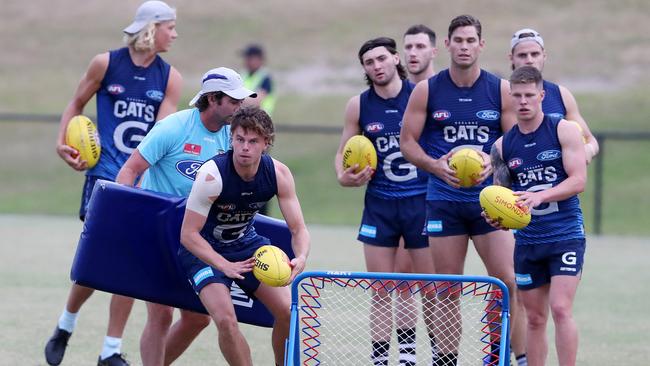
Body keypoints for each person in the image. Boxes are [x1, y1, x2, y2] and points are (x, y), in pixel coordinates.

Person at [46, 1, 181, 365]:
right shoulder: (105, 63)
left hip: (141, 183)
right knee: (98, 262)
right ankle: (65, 324)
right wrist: (63, 143)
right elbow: (75, 104)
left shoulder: (170, 77)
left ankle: (110, 350)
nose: (175, 34)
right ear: (152, 28)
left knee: (129, 266)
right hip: (103, 177)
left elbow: (162, 136)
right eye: (170, 26)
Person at [400, 15, 525, 365]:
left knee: (508, 282)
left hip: (491, 202)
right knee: (446, 289)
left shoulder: (499, 88)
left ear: (481, 45)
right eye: (459, 40)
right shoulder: (428, 89)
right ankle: (446, 360)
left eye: (472, 40)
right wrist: (434, 165)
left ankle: (504, 356)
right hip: (444, 201)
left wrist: (492, 157)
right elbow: (407, 142)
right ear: (448, 45)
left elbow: (514, 139)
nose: (465, 46)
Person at [115, 67, 255, 366]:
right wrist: (125, 218)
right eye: (234, 100)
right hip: (158, 230)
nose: (240, 106)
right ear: (213, 99)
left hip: (200, 236)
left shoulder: (233, 136)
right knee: (161, 313)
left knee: (197, 318)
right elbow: (129, 171)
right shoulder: (173, 127)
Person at [179, 106, 310, 366]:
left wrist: (302, 257)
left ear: (266, 143)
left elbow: (298, 229)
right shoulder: (212, 176)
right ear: (232, 139)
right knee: (226, 321)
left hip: (246, 245)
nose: (245, 147)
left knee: (287, 311)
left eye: (253, 141)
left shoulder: (278, 174)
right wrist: (223, 265)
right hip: (204, 252)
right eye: (239, 139)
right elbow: (188, 235)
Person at [335, 37, 436, 366]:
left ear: (395, 59)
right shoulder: (359, 105)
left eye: (381, 59)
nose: (376, 66)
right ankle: (380, 360)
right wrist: (343, 175)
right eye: (369, 62)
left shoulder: (420, 95)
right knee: (381, 288)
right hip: (380, 203)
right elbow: (342, 153)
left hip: (419, 201)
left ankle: (417, 357)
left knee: (420, 288)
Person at [486, 65, 587, 366]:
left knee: (560, 308)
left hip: (565, 235)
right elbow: (500, 196)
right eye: (517, 96)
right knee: (534, 317)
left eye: (529, 95)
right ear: (510, 97)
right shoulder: (502, 146)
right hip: (528, 241)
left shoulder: (564, 130)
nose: (523, 101)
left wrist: (540, 195)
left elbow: (578, 180)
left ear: (542, 95)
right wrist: (495, 217)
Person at [509, 28, 599, 163]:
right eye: (522, 55)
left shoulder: (561, 94)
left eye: (535, 54)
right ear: (511, 58)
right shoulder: (502, 94)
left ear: (544, 56)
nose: (529, 60)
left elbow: (590, 140)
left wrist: (588, 150)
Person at [240, 44, 276, 116]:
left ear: (259, 59)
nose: (246, 61)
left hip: (260, 120)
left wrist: (235, 101)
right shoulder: (242, 75)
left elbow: (255, 102)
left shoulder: (265, 78)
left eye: (250, 58)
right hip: (243, 119)